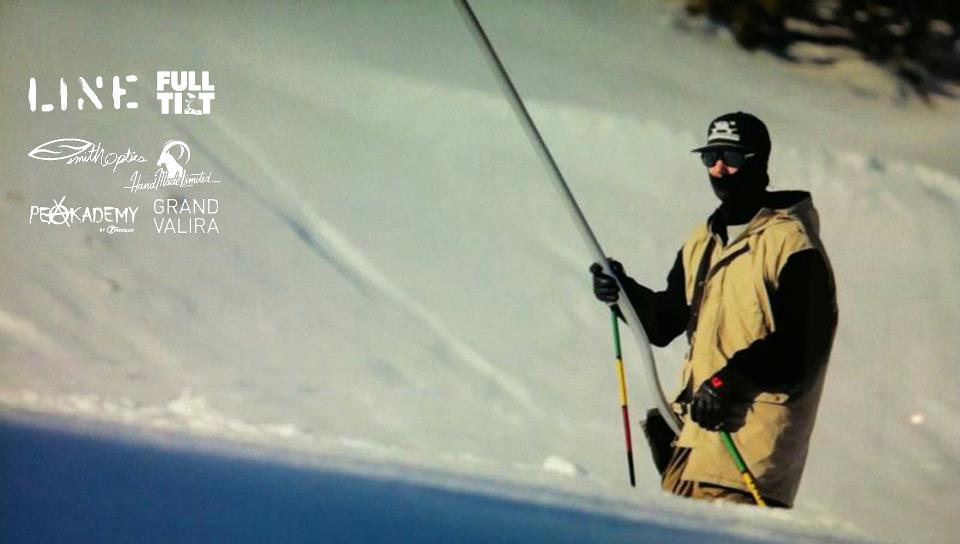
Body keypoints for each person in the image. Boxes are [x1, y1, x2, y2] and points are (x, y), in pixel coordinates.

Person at [590, 112, 838, 508]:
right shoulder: (703, 240)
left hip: (749, 453)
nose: (719, 168)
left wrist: (728, 383)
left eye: (732, 157)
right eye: (710, 157)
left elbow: (801, 347)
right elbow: (664, 321)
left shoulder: (793, 246)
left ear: (759, 162)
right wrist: (622, 292)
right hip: (693, 445)